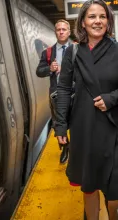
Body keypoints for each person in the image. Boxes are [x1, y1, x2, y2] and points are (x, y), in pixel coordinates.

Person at [55, 0, 118, 220]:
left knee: (115, 185)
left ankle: (112, 213)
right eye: (92, 16)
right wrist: (60, 125)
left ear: (108, 21)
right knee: (89, 184)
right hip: (84, 125)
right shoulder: (73, 52)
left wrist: (112, 98)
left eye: (102, 16)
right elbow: (63, 89)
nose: (98, 21)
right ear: (82, 22)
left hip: (113, 124)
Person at [36, 19, 71, 164]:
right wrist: (50, 69)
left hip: (75, 92)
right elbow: (39, 71)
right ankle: (65, 148)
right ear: (55, 32)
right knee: (59, 124)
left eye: (64, 29)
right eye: (59, 29)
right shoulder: (48, 53)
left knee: (76, 123)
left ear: (69, 32)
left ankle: (77, 151)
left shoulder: (77, 49)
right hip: (56, 93)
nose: (61, 32)